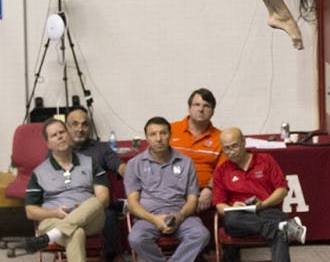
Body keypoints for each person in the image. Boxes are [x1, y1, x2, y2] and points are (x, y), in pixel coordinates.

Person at [18, 118, 109, 261]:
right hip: (53, 219)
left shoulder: (90, 163)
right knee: (76, 232)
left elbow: (103, 198)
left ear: (69, 135)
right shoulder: (39, 172)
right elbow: (30, 211)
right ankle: (56, 232)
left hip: (90, 219)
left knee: (95, 202)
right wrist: (55, 213)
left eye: (62, 132)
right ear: (48, 144)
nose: (60, 136)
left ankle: (49, 237)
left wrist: (83, 209)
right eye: (54, 135)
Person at [212, 128, 305, 262]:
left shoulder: (265, 160)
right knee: (231, 220)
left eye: (234, 146)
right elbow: (220, 205)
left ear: (244, 142)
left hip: (265, 210)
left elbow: (282, 190)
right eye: (227, 149)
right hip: (239, 218)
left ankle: (280, 227)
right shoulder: (221, 171)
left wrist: (263, 204)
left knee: (280, 221)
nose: (231, 151)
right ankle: (281, 228)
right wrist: (232, 207)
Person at [125, 117, 210, 262]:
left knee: (201, 234)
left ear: (170, 135)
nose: (158, 139)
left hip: (181, 216)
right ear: (147, 138)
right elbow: (132, 204)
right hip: (148, 218)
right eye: (153, 134)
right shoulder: (134, 164)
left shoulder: (186, 162)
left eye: (163, 133)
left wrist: (179, 217)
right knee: (136, 238)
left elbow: (192, 199)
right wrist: (155, 220)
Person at [66, 106, 126, 262]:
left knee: (109, 215)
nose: (80, 129)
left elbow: (118, 165)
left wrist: (127, 170)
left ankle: (109, 256)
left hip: (98, 206)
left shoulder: (100, 148)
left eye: (85, 124)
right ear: (66, 127)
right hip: (68, 206)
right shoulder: (58, 150)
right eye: (75, 124)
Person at [169, 88, 223, 212]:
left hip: (202, 190)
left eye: (206, 106)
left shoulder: (220, 138)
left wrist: (209, 189)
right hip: (171, 189)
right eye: (197, 104)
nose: (201, 109)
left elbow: (222, 171)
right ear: (189, 108)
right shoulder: (170, 130)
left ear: (213, 111)